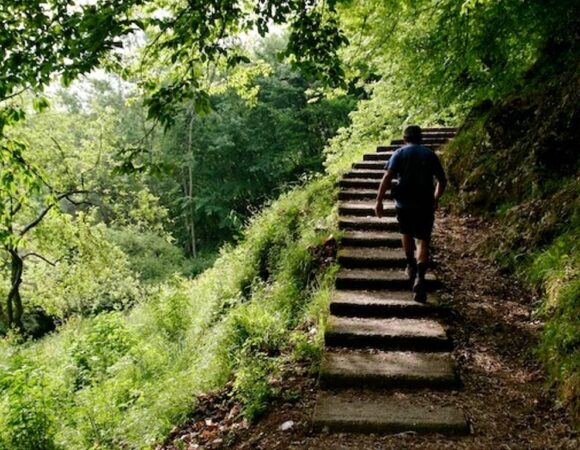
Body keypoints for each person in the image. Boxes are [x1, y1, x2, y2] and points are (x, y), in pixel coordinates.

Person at [374, 125, 447, 302]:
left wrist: (379, 200)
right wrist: (435, 198)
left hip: (404, 203)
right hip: (425, 204)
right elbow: (442, 180)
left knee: (405, 233)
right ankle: (420, 278)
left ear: (404, 138)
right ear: (420, 138)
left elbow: (387, 177)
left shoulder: (399, 153)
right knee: (423, 240)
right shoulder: (429, 154)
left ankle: (410, 264)